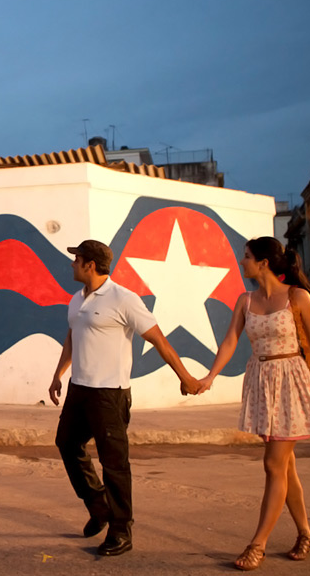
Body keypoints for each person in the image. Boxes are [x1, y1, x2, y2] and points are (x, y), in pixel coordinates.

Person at [48, 239, 204, 557]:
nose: (72, 263)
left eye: (76, 259)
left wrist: (185, 377)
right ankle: (98, 505)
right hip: (79, 389)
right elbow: (72, 337)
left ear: (90, 264)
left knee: (114, 463)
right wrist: (58, 374)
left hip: (109, 393)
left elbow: (158, 339)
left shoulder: (123, 299)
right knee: (66, 443)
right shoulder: (76, 300)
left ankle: (121, 531)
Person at [198, 237, 310, 571]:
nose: (241, 261)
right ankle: (306, 534)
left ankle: (257, 544)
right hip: (261, 383)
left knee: (274, 465)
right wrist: (210, 377)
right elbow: (230, 340)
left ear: (263, 263)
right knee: (285, 466)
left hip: (291, 381)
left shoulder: (297, 297)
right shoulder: (245, 300)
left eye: (246, 257)